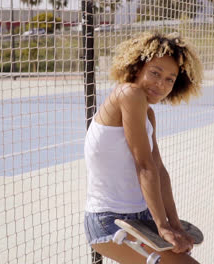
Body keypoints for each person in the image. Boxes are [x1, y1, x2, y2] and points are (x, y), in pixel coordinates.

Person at [84, 31, 203, 264]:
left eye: (170, 78)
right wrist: (163, 227)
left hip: (141, 217)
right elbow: (144, 165)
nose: (162, 84)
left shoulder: (148, 112)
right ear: (137, 68)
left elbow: (159, 169)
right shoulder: (128, 93)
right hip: (109, 221)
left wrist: (175, 225)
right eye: (155, 73)